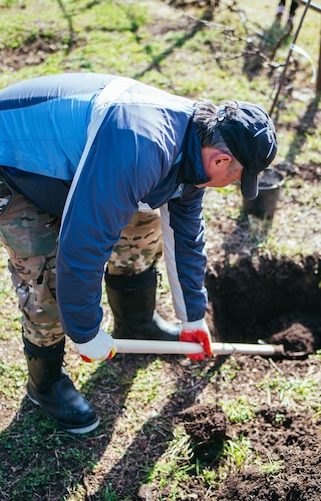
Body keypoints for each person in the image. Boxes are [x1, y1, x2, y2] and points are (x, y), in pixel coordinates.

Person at [0, 72, 277, 434]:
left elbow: (186, 236)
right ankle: (45, 382)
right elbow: (83, 244)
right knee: (46, 272)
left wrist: (192, 317)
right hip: (14, 162)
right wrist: (86, 332)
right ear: (222, 160)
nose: (236, 185)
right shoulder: (142, 145)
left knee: (144, 217)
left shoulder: (194, 148)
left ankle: (135, 322)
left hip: (73, 168)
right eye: (240, 177)